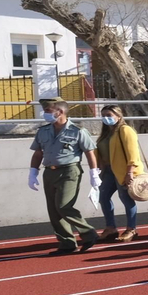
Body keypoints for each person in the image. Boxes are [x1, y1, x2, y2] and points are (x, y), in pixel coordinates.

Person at [27, 98, 102, 254]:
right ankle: (67, 243)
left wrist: (94, 173)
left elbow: (89, 152)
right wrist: (33, 172)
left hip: (69, 171)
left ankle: (89, 233)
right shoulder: (43, 131)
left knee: (63, 206)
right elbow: (38, 153)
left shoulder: (78, 131)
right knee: (53, 210)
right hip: (49, 172)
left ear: (59, 112)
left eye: (48, 111)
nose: (45, 114)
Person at [95, 104, 145, 242]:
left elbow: (133, 154)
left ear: (118, 116)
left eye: (109, 115)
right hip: (108, 171)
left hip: (123, 171)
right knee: (103, 197)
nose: (106, 118)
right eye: (103, 115)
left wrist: (130, 172)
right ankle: (111, 228)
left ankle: (131, 229)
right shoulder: (106, 133)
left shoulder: (125, 130)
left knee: (126, 199)